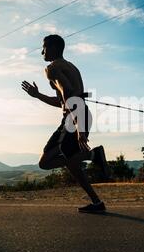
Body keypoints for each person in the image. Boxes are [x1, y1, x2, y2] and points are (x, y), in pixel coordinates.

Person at [21, 34, 110, 213]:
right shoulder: (71, 67)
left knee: (45, 162)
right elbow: (61, 101)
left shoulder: (52, 68)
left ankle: (93, 156)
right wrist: (38, 95)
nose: (41, 52)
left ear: (54, 48)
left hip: (74, 116)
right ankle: (97, 203)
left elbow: (68, 93)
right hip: (80, 113)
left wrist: (78, 126)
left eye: (44, 47)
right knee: (71, 163)